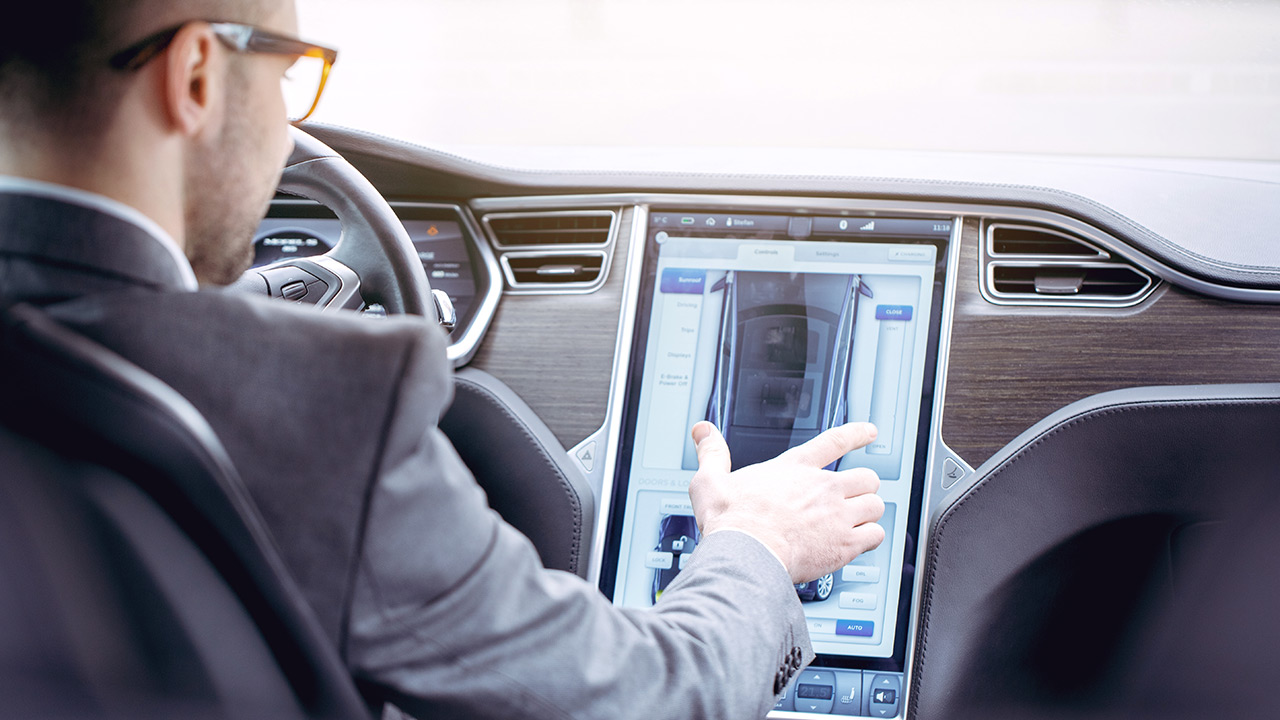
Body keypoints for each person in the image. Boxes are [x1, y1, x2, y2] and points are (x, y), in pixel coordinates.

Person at [0, 0, 886, 717]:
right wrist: (756, 542)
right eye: (285, 74)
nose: (285, 122)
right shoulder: (327, 404)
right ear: (196, 76)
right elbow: (656, 699)